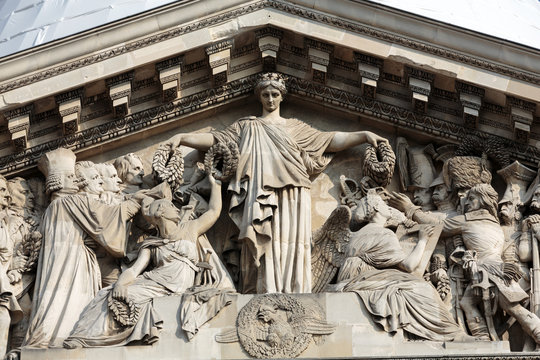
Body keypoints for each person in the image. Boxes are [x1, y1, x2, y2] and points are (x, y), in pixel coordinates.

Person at [166, 72, 388, 294]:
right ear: (259, 97)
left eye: (274, 94)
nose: (270, 99)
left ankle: (294, 289)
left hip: (294, 192)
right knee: (262, 244)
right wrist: (183, 137)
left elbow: (330, 140)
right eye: (265, 95)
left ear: (282, 96)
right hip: (257, 189)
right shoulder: (246, 127)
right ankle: (264, 289)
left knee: (290, 242)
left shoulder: (295, 128)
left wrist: (364, 134)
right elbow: (215, 139)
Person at [63, 174, 231, 348]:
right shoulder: (152, 244)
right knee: (104, 294)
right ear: (160, 212)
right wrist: (120, 284)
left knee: (114, 297)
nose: (176, 209)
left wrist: (216, 184)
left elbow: (214, 212)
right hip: (155, 284)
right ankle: (82, 337)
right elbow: (135, 271)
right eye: (171, 206)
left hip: (177, 285)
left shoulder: (190, 228)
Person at [23, 148, 146, 348]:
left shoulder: (52, 208)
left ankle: (47, 337)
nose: (77, 182)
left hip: (58, 266)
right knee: (72, 303)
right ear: (64, 180)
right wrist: (137, 199)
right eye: (72, 177)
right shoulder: (73, 201)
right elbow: (106, 220)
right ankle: (62, 338)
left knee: (54, 300)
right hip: (76, 264)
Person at [332, 191, 473, 342]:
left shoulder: (359, 233)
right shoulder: (384, 234)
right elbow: (409, 265)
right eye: (385, 205)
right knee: (422, 288)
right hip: (363, 279)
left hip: (354, 277)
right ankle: (451, 334)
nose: (389, 207)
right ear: (378, 208)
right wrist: (423, 240)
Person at [442, 184, 540, 342]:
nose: (467, 202)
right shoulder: (494, 223)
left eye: (472, 198)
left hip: (489, 270)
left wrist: (410, 209)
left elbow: (438, 226)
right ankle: (483, 339)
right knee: (469, 303)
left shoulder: (469, 221)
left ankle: (537, 332)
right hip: (496, 269)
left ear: (483, 200)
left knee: (513, 308)